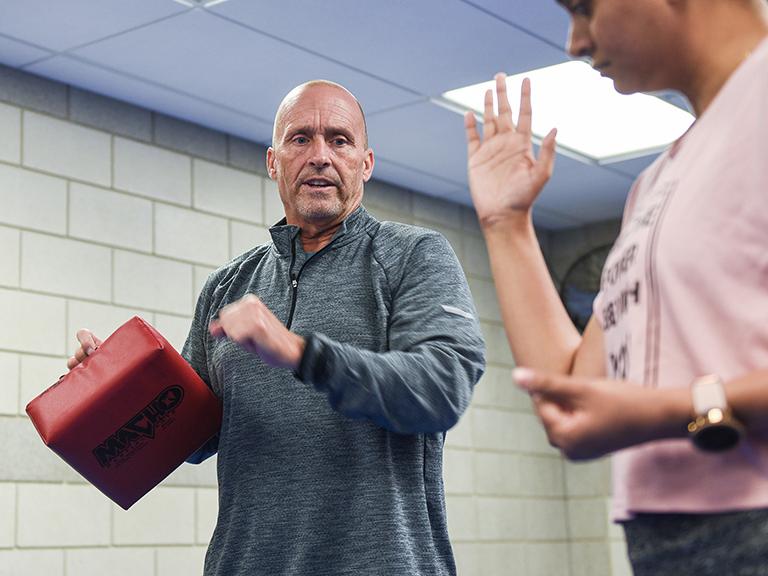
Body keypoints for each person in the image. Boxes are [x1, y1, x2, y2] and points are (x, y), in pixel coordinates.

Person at [69, 80, 485, 575]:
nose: (320, 156)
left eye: (339, 140)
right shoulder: (228, 286)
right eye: (300, 139)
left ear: (366, 164)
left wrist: (299, 354)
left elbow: (441, 388)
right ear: (273, 161)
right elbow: (191, 437)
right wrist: (115, 390)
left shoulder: (414, 256)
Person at [464, 0, 768, 573]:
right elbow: (574, 388)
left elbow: (659, 409)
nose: (575, 42)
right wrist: (505, 226)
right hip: (667, 542)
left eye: (584, 7)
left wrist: (678, 410)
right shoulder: (653, 185)